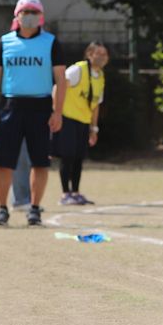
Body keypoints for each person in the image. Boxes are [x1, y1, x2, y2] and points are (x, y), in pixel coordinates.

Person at [0, 0, 66, 227]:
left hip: (41, 107)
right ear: (17, 15)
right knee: (3, 161)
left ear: (40, 16)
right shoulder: (4, 42)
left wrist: (57, 111)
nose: (29, 15)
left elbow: (61, 80)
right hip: (11, 106)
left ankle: (34, 209)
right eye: (25, 11)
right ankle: (2, 209)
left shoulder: (51, 42)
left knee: (40, 161)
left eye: (34, 11)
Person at [54, 41, 108, 206]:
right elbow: (59, 86)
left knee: (78, 158)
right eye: (98, 53)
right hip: (68, 117)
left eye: (105, 54)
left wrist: (94, 128)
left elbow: (95, 104)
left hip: (83, 121)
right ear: (89, 54)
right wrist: (55, 112)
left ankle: (76, 192)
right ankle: (65, 194)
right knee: (67, 156)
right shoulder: (77, 70)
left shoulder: (100, 77)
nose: (102, 57)